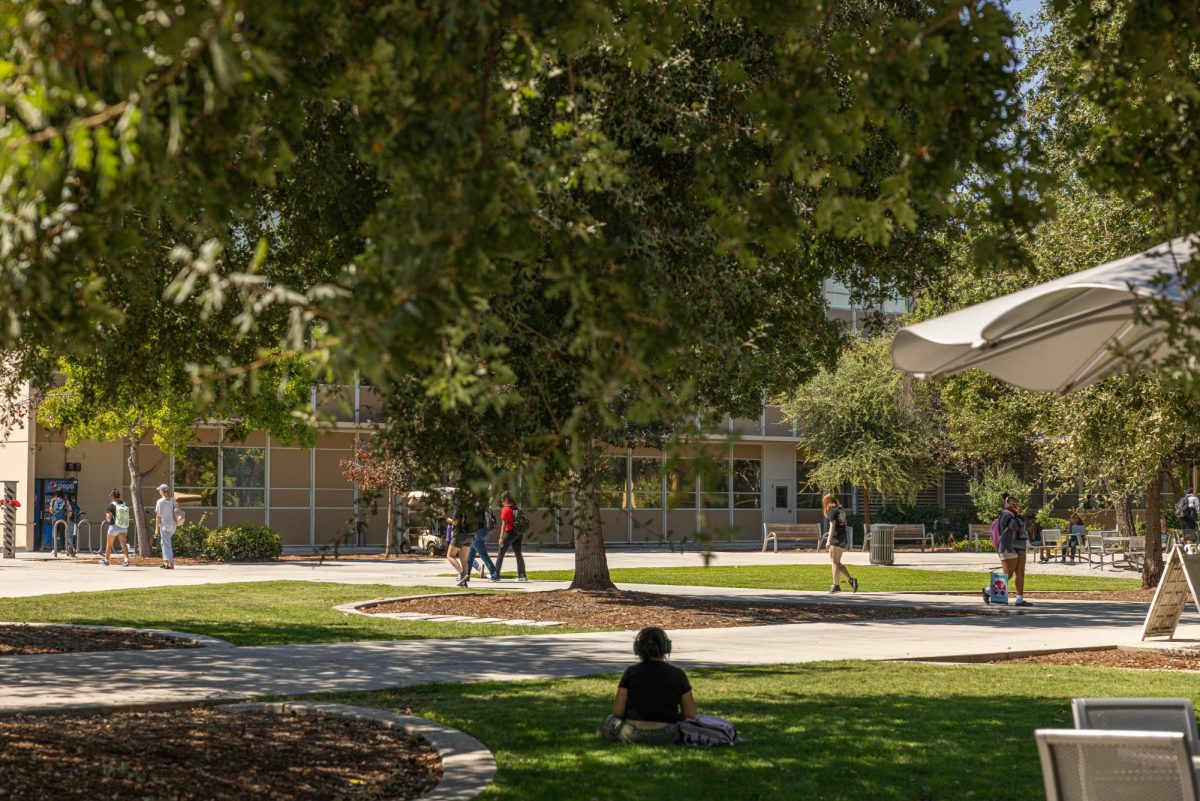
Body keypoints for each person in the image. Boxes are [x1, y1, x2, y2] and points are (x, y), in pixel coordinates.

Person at [599, 626, 697, 745]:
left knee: (611, 719)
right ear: (666, 647)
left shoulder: (631, 673)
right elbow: (690, 714)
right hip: (668, 735)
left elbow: (618, 712)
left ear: (638, 648)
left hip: (633, 734)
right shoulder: (678, 674)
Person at [985, 494, 1030, 607]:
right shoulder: (1005, 514)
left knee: (1020, 573)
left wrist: (1019, 515)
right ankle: (988, 590)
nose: (1014, 503)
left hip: (1020, 546)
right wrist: (1018, 514)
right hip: (1007, 546)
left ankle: (1019, 599)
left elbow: (1024, 526)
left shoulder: (1016, 515)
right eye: (1010, 502)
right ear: (1006, 503)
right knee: (1008, 574)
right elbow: (1015, 526)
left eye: (1015, 501)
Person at [822, 493, 857, 593]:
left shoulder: (832, 511)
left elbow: (832, 526)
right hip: (843, 538)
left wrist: (828, 541)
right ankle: (851, 580)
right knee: (837, 562)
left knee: (834, 563)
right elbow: (843, 524)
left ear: (827, 502)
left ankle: (836, 586)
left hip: (836, 538)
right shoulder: (840, 509)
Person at [494, 491, 527, 582]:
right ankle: (522, 575)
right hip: (518, 533)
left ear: (506, 499)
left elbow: (504, 525)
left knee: (501, 552)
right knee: (518, 554)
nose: (501, 501)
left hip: (510, 533)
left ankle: (495, 575)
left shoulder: (505, 509)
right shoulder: (515, 507)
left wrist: (501, 537)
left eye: (502, 499)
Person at [101, 488, 131, 567]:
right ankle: (126, 559)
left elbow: (108, 518)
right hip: (123, 526)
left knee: (109, 544)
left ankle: (106, 560)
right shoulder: (124, 504)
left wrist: (107, 519)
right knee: (123, 544)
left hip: (114, 527)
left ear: (112, 496)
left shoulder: (110, 505)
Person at [153, 483, 178, 570]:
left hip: (164, 526)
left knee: (166, 544)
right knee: (164, 543)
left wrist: (156, 529)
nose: (159, 491)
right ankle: (165, 562)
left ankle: (170, 563)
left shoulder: (160, 502)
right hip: (173, 525)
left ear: (163, 491)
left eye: (160, 490)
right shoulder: (173, 500)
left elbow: (158, 516)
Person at [445, 515, 473, 586]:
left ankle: (462, 574)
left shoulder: (459, 508)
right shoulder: (470, 509)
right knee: (463, 558)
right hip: (469, 535)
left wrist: (449, 520)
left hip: (459, 535)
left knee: (450, 556)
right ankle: (465, 581)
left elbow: (455, 522)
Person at [48, 490, 72, 554]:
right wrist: (67, 520)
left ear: (56, 494)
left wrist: (53, 513)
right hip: (63, 520)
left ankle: (54, 549)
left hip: (55, 519)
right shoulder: (66, 501)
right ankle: (63, 549)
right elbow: (67, 511)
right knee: (62, 534)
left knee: (54, 534)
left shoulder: (53, 500)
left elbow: (50, 510)